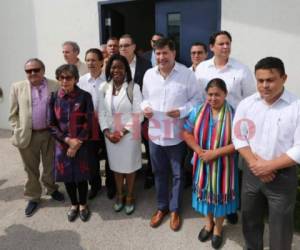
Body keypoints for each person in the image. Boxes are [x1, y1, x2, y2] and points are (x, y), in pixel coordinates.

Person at [232, 57, 300, 250]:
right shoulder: (247, 104)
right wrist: (256, 164)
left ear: (284, 78)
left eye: (270, 80)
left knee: (281, 228)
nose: (264, 86)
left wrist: (269, 166)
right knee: (250, 221)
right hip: (251, 172)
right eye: (260, 80)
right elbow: (239, 136)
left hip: (282, 177)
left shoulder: (296, 106)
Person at [142, 38, 202, 231]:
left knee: (177, 174)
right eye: (157, 54)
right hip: (155, 135)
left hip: (177, 135)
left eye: (165, 53)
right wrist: (146, 109)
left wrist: (183, 111)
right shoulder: (149, 75)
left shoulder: (186, 74)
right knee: (159, 173)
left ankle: (175, 209)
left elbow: (197, 100)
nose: (161, 57)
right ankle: (162, 207)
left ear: (173, 53)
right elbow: (144, 98)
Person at [195, 30, 256, 224]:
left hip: (232, 127)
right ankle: (210, 207)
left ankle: (229, 206)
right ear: (212, 47)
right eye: (221, 43)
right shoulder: (202, 68)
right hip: (208, 124)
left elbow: (250, 99)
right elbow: (199, 97)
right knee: (207, 169)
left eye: (228, 43)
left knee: (231, 169)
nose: (225, 47)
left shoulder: (241, 70)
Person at [182, 78, 238, 249]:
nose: (213, 98)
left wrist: (215, 153)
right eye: (210, 94)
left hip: (224, 165)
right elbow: (186, 132)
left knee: (220, 197)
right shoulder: (198, 110)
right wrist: (199, 151)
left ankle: (218, 229)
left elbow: (240, 142)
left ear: (225, 94)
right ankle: (208, 224)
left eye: (217, 95)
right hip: (202, 162)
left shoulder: (234, 114)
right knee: (205, 195)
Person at [9, 58, 64, 217]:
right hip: (28, 135)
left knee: (50, 165)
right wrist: (17, 129)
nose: (32, 73)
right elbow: (13, 114)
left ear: (43, 70)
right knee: (30, 168)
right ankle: (33, 196)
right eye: (29, 71)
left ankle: (51, 188)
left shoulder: (55, 85)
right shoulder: (17, 87)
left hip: (50, 133)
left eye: (36, 69)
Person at [48, 64, 99, 222]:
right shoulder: (54, 97)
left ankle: (83, 204)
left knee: (81, 176)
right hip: (62, 144)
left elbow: (89, 122)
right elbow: (51, 124)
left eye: (68, 77)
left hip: (81, 144)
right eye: (61, 77)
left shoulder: (85, 96)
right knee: (67, 177)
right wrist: (68, 141)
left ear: (76, 79)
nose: (64, 80)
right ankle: (74, 204)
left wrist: (77, 142)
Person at [98, 54, 143, 215]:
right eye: (113, 67)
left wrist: (122, 132)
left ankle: (130, 196)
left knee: (129, 167)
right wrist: (107, 132)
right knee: (116, 168)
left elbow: (139, 114)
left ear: (126, 70)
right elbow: (101, 113)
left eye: (120, 67)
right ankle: (120, 194)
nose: (116, 70)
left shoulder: (133, 87)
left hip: (129, 133)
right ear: (109, 69)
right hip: (111, 134)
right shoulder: (104, 87)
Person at [119, 34, 154, 189]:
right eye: (120, 46)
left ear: (133, 46)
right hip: (123, 114)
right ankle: (128, 173)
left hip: (142, 113)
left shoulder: (146, 64)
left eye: (126, 45)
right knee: (127, 144)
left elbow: (150, 88)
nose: (123, 49)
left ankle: (150, 173)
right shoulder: (115, 64)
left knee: (147, 144)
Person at [77, 48, 107, 200]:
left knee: (109, 156)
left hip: (107, 124)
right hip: (89, 127)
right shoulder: (82, 81)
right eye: (88, 60)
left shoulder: (109, 80)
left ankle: (111, 186)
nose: (90, 63)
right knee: (91, 158)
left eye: (94, 60)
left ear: (101, 62)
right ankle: (94, 185)